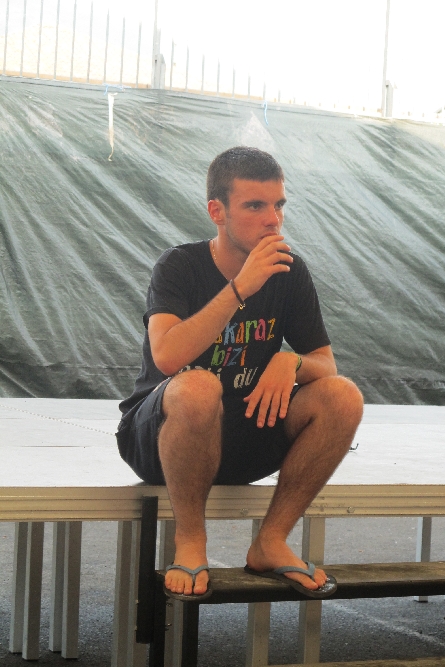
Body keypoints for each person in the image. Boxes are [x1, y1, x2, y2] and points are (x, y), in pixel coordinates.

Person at [116, 146, 364, 601]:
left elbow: (325, 364)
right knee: (198, 386)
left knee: (342, 395)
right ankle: (191, 539)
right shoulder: (179, 265)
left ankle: (271, 540)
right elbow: (167, 356)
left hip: (244, 435)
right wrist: (240, 288)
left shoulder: (289, 271)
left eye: (278, 205)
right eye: (254, 206)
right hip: (162, 439)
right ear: (218, 211)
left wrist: (290, 361)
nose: (273, 220)